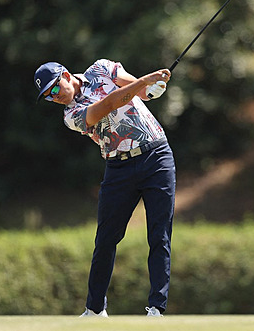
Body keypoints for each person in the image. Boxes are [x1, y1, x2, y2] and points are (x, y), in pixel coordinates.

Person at [34, 59, 175, 318]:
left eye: (55, 89)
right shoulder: (71, 116)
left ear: (66, 74)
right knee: (106, 240)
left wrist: (151, 88)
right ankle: (95, 310)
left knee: (159, 234)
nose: (55, 98)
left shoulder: (101, 69)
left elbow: (138, 90)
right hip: (118, 168)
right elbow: (109, 104)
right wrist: (145, 82)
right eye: (48, 97)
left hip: (156, 156)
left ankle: (156, 308)